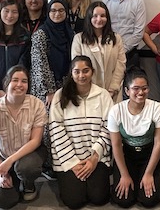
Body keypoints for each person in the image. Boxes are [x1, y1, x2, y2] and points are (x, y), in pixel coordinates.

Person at [48, 56, 113, 209]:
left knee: (99, 198)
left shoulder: (103, 95)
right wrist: (73, 163)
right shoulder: (60, 95)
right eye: (76, 72)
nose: (81, 75)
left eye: (86, 71)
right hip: (68, 159)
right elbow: (56, 130)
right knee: (74, 201)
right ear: (71, 73)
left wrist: (94, 158)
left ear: (92, 72)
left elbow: (109, 127)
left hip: (96, 157)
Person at [0, 66, 47, 208]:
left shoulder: (37, 105)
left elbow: (36, 141)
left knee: (26, 167)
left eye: (24, 81)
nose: (20, 84)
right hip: (2, 158)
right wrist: (1, 172)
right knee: (4, 202)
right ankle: (12, 177)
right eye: (15, 80)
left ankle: (28, 183)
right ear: (7, 83)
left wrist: (10, 161)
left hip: (28, 155)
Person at [108, 67, 160, 208]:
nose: (141, 92)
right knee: (124, 200)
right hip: (127, 155)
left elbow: (159, 143)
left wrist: (148, 174)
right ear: (127, 91)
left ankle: (144, 179)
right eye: (135, 88)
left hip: (150, 155)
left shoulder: (157, 108)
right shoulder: (116, 111)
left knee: (149, 200)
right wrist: (124, 175)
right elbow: (116, 145)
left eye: (144, 88)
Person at [71, 1, 126, 103]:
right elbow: (78, 68)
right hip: (88, 92)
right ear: (89, 18)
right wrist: (92, 90)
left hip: (112, 92)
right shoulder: (79, 39)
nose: (99, 19)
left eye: (102, 16)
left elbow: (120, 64)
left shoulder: (116, 38)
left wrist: (112, 89)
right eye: (95, 16)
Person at [31, 0, 74, 107]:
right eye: (53, 10)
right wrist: (48, 91)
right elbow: (39, 64)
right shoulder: (41, 34)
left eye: (61, 10)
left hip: (66, 86)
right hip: (46, 90)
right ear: (48, 12)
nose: (57, 14)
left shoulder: (70, 33)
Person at [103, 0, 147, 70]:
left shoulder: (138, 3)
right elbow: (101, 28)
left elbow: (138, 32)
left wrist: (121, 50)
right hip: (108, 52)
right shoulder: (105, 2)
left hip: (130, 54)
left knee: (130, 85)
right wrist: (111, 49)